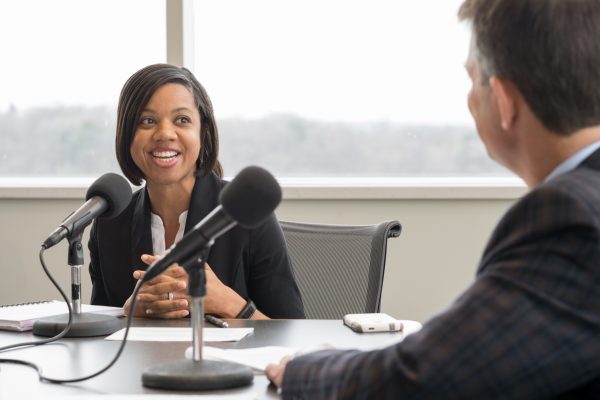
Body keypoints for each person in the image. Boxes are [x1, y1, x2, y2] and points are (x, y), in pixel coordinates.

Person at [266, 0, 600, 397]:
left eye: (473, 80)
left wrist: (305, 369)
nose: (470, 99)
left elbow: (429, 376)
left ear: (505, 102)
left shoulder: (569, 216)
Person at [88, 63, 304, 320]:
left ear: (203, 131)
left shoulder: (245, 215)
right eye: (147, 121)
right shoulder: (109, 224)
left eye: (182, 120)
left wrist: (231, 304)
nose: (165, 134)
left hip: (226, 361)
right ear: (126, 135)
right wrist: (127, 314)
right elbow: (99, 338)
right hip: (141, 361)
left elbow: (293, 334)